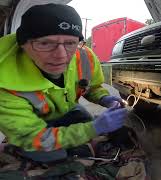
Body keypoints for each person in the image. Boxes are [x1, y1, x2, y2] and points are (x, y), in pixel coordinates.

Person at [0, 3, 128, 157]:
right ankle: (16, 146)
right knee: (53, 155)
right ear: (23, 44)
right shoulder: (4, 85)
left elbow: (91, 87)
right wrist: (93, 129)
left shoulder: (85, 57)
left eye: (70, 43)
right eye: (45, 43)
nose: (61, 55)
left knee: (85, 119)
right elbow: (33, 137)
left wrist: (104, 98)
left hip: (67, 110)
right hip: (33, 125)